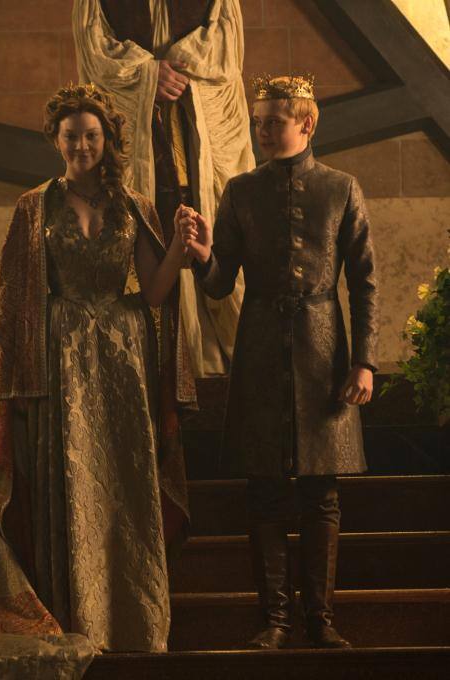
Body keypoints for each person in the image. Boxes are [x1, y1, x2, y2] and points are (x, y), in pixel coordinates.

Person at [0, 82, 196, 661]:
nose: (82, 145)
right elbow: (10, 302)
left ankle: (131, 624)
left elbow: (153, 293)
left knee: (124, 490)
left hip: (123, 365)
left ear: (107, 139)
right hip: (58, 364)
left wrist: (180, 249)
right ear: (55, 140)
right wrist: (15, 388)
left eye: (91, 135)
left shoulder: (134, 206)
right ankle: (76, 620)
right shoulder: (33, 206)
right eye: (71, 136)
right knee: (70, 486)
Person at [181, 75, 379, 649]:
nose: (263, 131)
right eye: (258, 121)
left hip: (324, 352)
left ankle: (320, 620)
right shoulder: (240, 191)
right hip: (260, 350)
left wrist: (364, 362)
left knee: (322, 494)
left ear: (306, 123)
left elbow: (365, 282)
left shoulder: (342, 188)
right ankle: (275, 621)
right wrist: (203, 257)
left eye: (274, 121)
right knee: (264, 491)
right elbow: (220, 284)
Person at [73, 0, 255, 379]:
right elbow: (94, 50)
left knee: (202, 229)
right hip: (139, 146)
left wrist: (180, 66)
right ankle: (136, 356)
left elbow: (225, 42)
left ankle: (205, 352)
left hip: (191, 136)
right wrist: (146, 75)